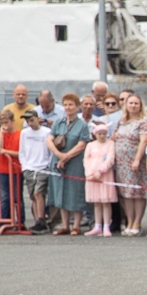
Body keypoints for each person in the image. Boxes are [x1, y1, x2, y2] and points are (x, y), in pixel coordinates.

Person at [46, 94, 91, 236]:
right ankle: (65, 225)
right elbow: (49, 140)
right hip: (58, 162)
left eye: (71, 105)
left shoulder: (82, 125)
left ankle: (76, 225)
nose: (68, 107)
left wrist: (66, 157)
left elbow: (81, 145)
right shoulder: (58, 122)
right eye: (66, 105)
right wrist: (59, 156)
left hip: (75, 162)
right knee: (61, 191)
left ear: (77, 107)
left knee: (75, 191)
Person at [112, 94, 147, 237]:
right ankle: (129, 221)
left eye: (136, 103)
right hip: (121, 162)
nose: (133, 106)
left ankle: (137, 222)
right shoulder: (122, 120)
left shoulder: (144, 121)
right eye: (131, 103)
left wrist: (137, 159)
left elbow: (143, 141)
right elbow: (114, 137)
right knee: (126, 193)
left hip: (136, 161)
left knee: (137, 193)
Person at [18, 110, 52, 232]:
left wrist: (48, 165)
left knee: (39, 192)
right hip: (29, 167)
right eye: (28, 121)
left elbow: (50, 150)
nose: (30, 123)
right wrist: (25, 166)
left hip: (43, 166)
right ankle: (38, 219)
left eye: (32, 120)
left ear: (38, 119)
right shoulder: (24, 133)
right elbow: (22, 151)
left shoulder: (47, 132)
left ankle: (41, 219)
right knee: (33, 195)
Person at [83, 125, 118, 237]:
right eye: (99, 134)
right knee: (97, 203)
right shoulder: (90, 145)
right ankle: (97, 226)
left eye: (104, 133)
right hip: (92, 175)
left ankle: (106, 226)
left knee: (106, 202)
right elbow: (86, 159)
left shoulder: (110, 144)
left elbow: (110, 159)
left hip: (105, 175)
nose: (102, 136)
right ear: (95, 134)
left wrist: (101, 171)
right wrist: (90, 173)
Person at [0, 111, 23, 225]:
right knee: (4, 197)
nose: (5, 125)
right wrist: (2, 134)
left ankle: (20, 221)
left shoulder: (20, 134)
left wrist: (7, 152)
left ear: (13, 121)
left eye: (7, 122)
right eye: (2, 123)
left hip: (16, 169)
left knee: (17, 197)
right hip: (3, 169)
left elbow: (21, 153)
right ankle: (5, 221)